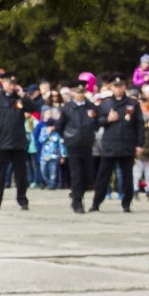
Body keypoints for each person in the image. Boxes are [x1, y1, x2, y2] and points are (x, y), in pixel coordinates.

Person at [0, 77, 31, 210]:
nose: (12, 86)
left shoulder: (19, 99)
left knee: (21, 175)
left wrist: (23, 95)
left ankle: (22, 200)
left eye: (14, 83)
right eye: (9, 83)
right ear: (3, 83)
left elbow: (34, 108)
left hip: (18, 142)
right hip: (1, 143)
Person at [58, 80, 100, 213]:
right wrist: (67, 136)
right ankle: (77, 201)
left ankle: (77, 195)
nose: (80, 95)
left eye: (82, 92)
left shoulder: (91, 106)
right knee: (77, 174)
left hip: (87, 144)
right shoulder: (67, 108)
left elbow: (97, 123)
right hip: (73, 144)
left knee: (88, 174)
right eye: (77, 92)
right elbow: (60, 126)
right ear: (72, 92)